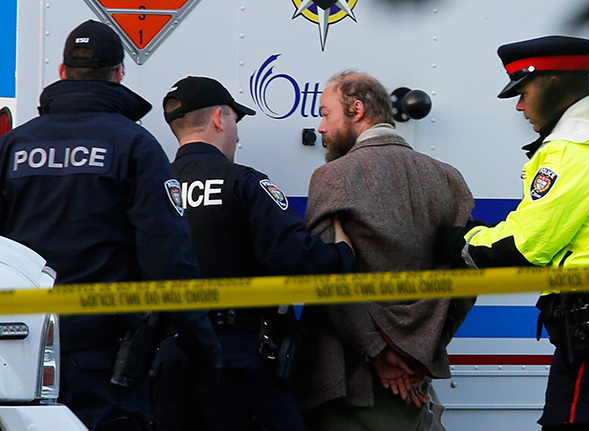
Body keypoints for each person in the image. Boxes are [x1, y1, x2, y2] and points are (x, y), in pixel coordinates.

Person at [437, 35, 589, 430]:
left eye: (522, 92)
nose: (519, 107)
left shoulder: (574, 147)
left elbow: (523, 246)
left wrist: (460, 240)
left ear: (552, 82)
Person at [0, 20, 222, 431]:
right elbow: (168, 260)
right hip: (102, 361)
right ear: (119, 74)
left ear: (63, 73)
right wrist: (205, 351)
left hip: (15, 354)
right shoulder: (134, 145)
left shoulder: (13, 146)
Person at [151, 76, 355, 431]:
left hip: (168, 361)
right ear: (219, 119)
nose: (238, 135)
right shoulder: (244, 183)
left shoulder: (151, 190)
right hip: (235, 360)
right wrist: (342, 253)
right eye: (235, 121)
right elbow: (298, 260)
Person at [294, 71, 475, 431]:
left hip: (347, 384)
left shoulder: (333, 177)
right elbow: (467, 276)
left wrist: (378, 351)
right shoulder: (448, 177)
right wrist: (420, 352)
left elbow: (328, 279)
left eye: (326, 113)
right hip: (414, 379)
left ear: (356, 110)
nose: (321, 127)